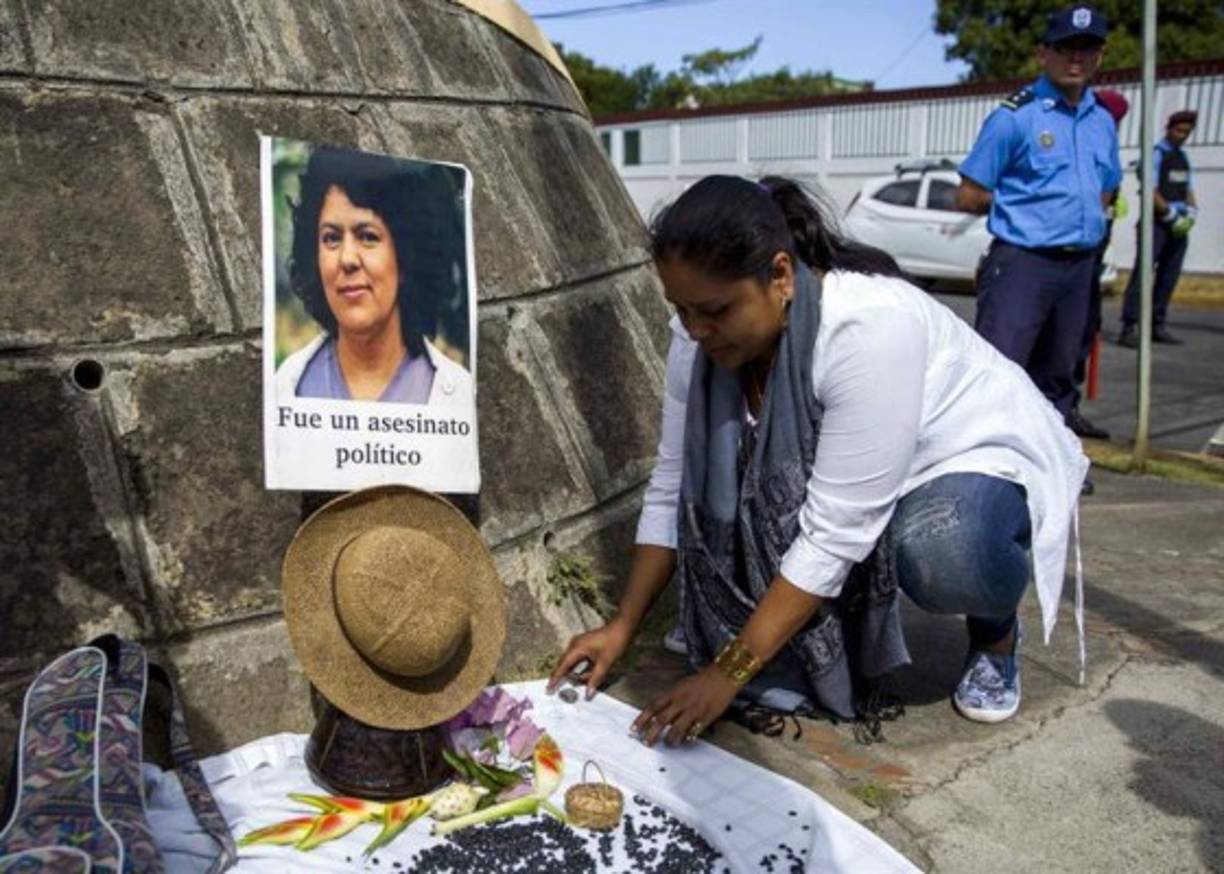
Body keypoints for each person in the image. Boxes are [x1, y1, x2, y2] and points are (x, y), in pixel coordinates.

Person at [548, 174, 1088, 745]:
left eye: (714, 309)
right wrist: (622, 627)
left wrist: (726, 674)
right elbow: (671, 482)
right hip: (869, 461)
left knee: (942, 550)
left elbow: (833, 534)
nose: (695, 330)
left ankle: (997, 634)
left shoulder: (867, 331)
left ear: (780, 275)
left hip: (964, 452)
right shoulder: (696, 338)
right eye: (680, 309)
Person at [955, 6, 1121, 430]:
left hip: (1080, 266)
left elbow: (1106, 187)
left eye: (1087, 50)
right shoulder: (1015, 116)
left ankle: (1055, 467)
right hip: (1023, 264)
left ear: (1100, 57)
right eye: (1066, 49)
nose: (1076, 59)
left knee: (1060, 374)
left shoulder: (1102, 120)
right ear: (1043, 54)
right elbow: (969, 193)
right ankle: (985, 466)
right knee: (1001, 369)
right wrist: (1030, 207)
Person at [275, 146, 472, 405]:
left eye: (368, 236)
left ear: (404, 258)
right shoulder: (288, 386)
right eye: (331, 238)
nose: (347, 259)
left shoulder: (458, 395)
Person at [1068, 87, 1130, 443]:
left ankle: (1067, 414)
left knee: (1077, 340)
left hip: (1089, 262)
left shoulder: (1104, 148)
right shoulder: (1079, 148)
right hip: (1070, 259)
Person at [1118, 110, 1199, 348]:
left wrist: (1192, 212)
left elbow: (1189, 189)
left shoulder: (1182, 157)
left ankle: (1157, 323)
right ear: (1169, 128)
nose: (1182, 135)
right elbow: (1150, 189)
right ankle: (1129, 325)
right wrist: (1169, 214)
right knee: (1142, 275)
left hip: (1178, 226)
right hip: (1156, 224)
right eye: (1179, 130)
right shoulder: (1155, 155)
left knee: (1168, 276)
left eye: (1187, 132)